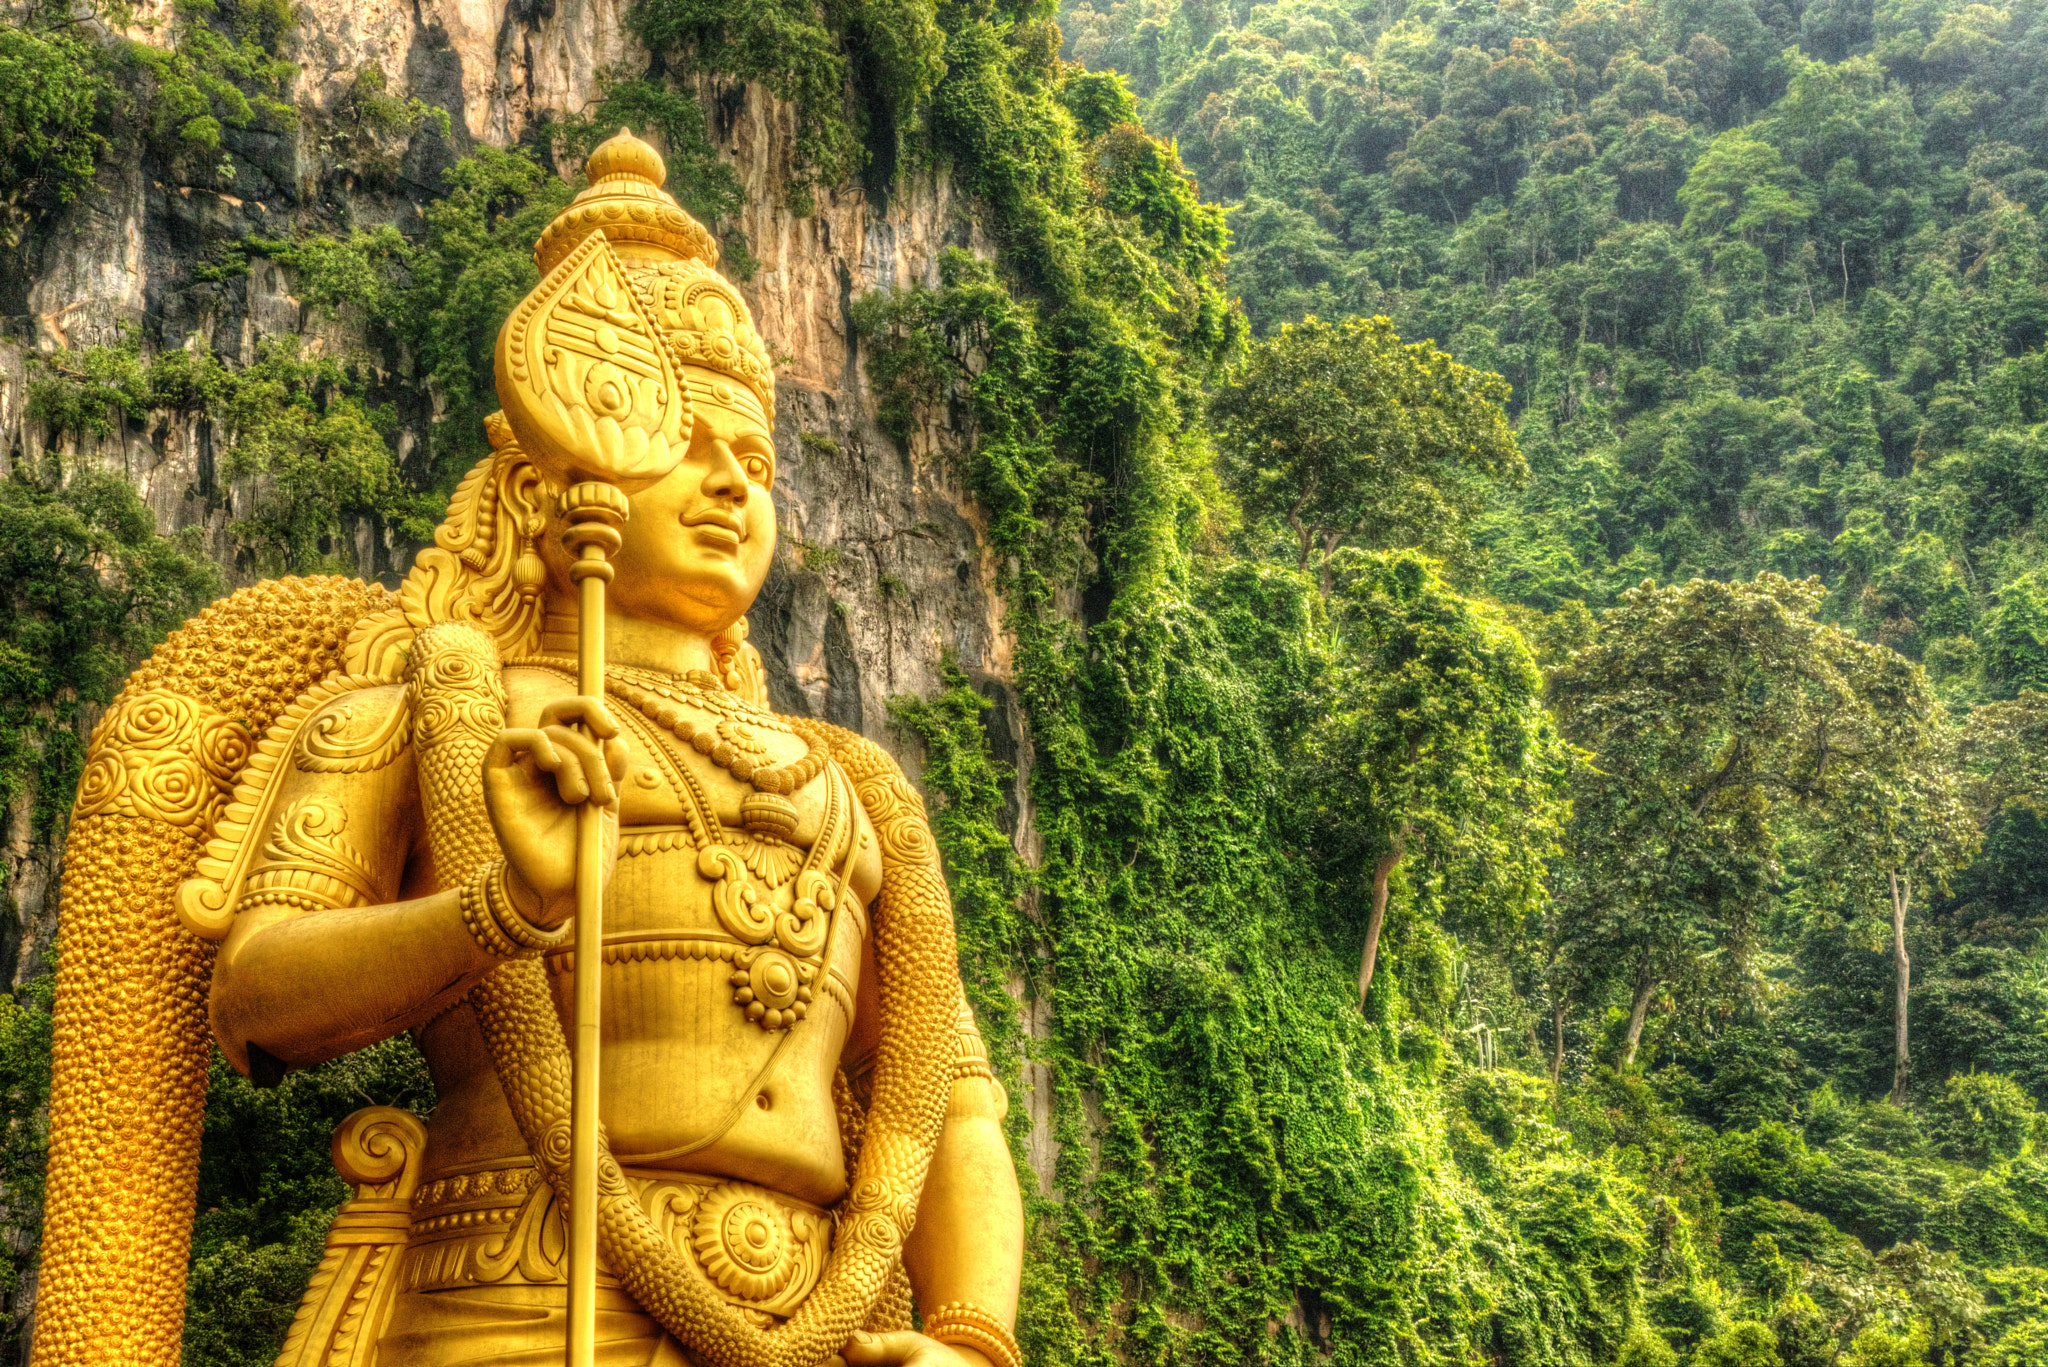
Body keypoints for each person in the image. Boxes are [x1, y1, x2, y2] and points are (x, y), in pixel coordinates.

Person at [30, 131, 1023, 1367]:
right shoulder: (441, 706)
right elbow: (259, 994)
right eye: (686, 444)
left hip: (812, 1318)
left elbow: (950, 1093)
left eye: (755, 461)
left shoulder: (845, 783)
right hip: (513, 1298)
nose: (731, 488)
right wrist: (496, 908)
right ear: (547, 485)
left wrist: (974, 1336)